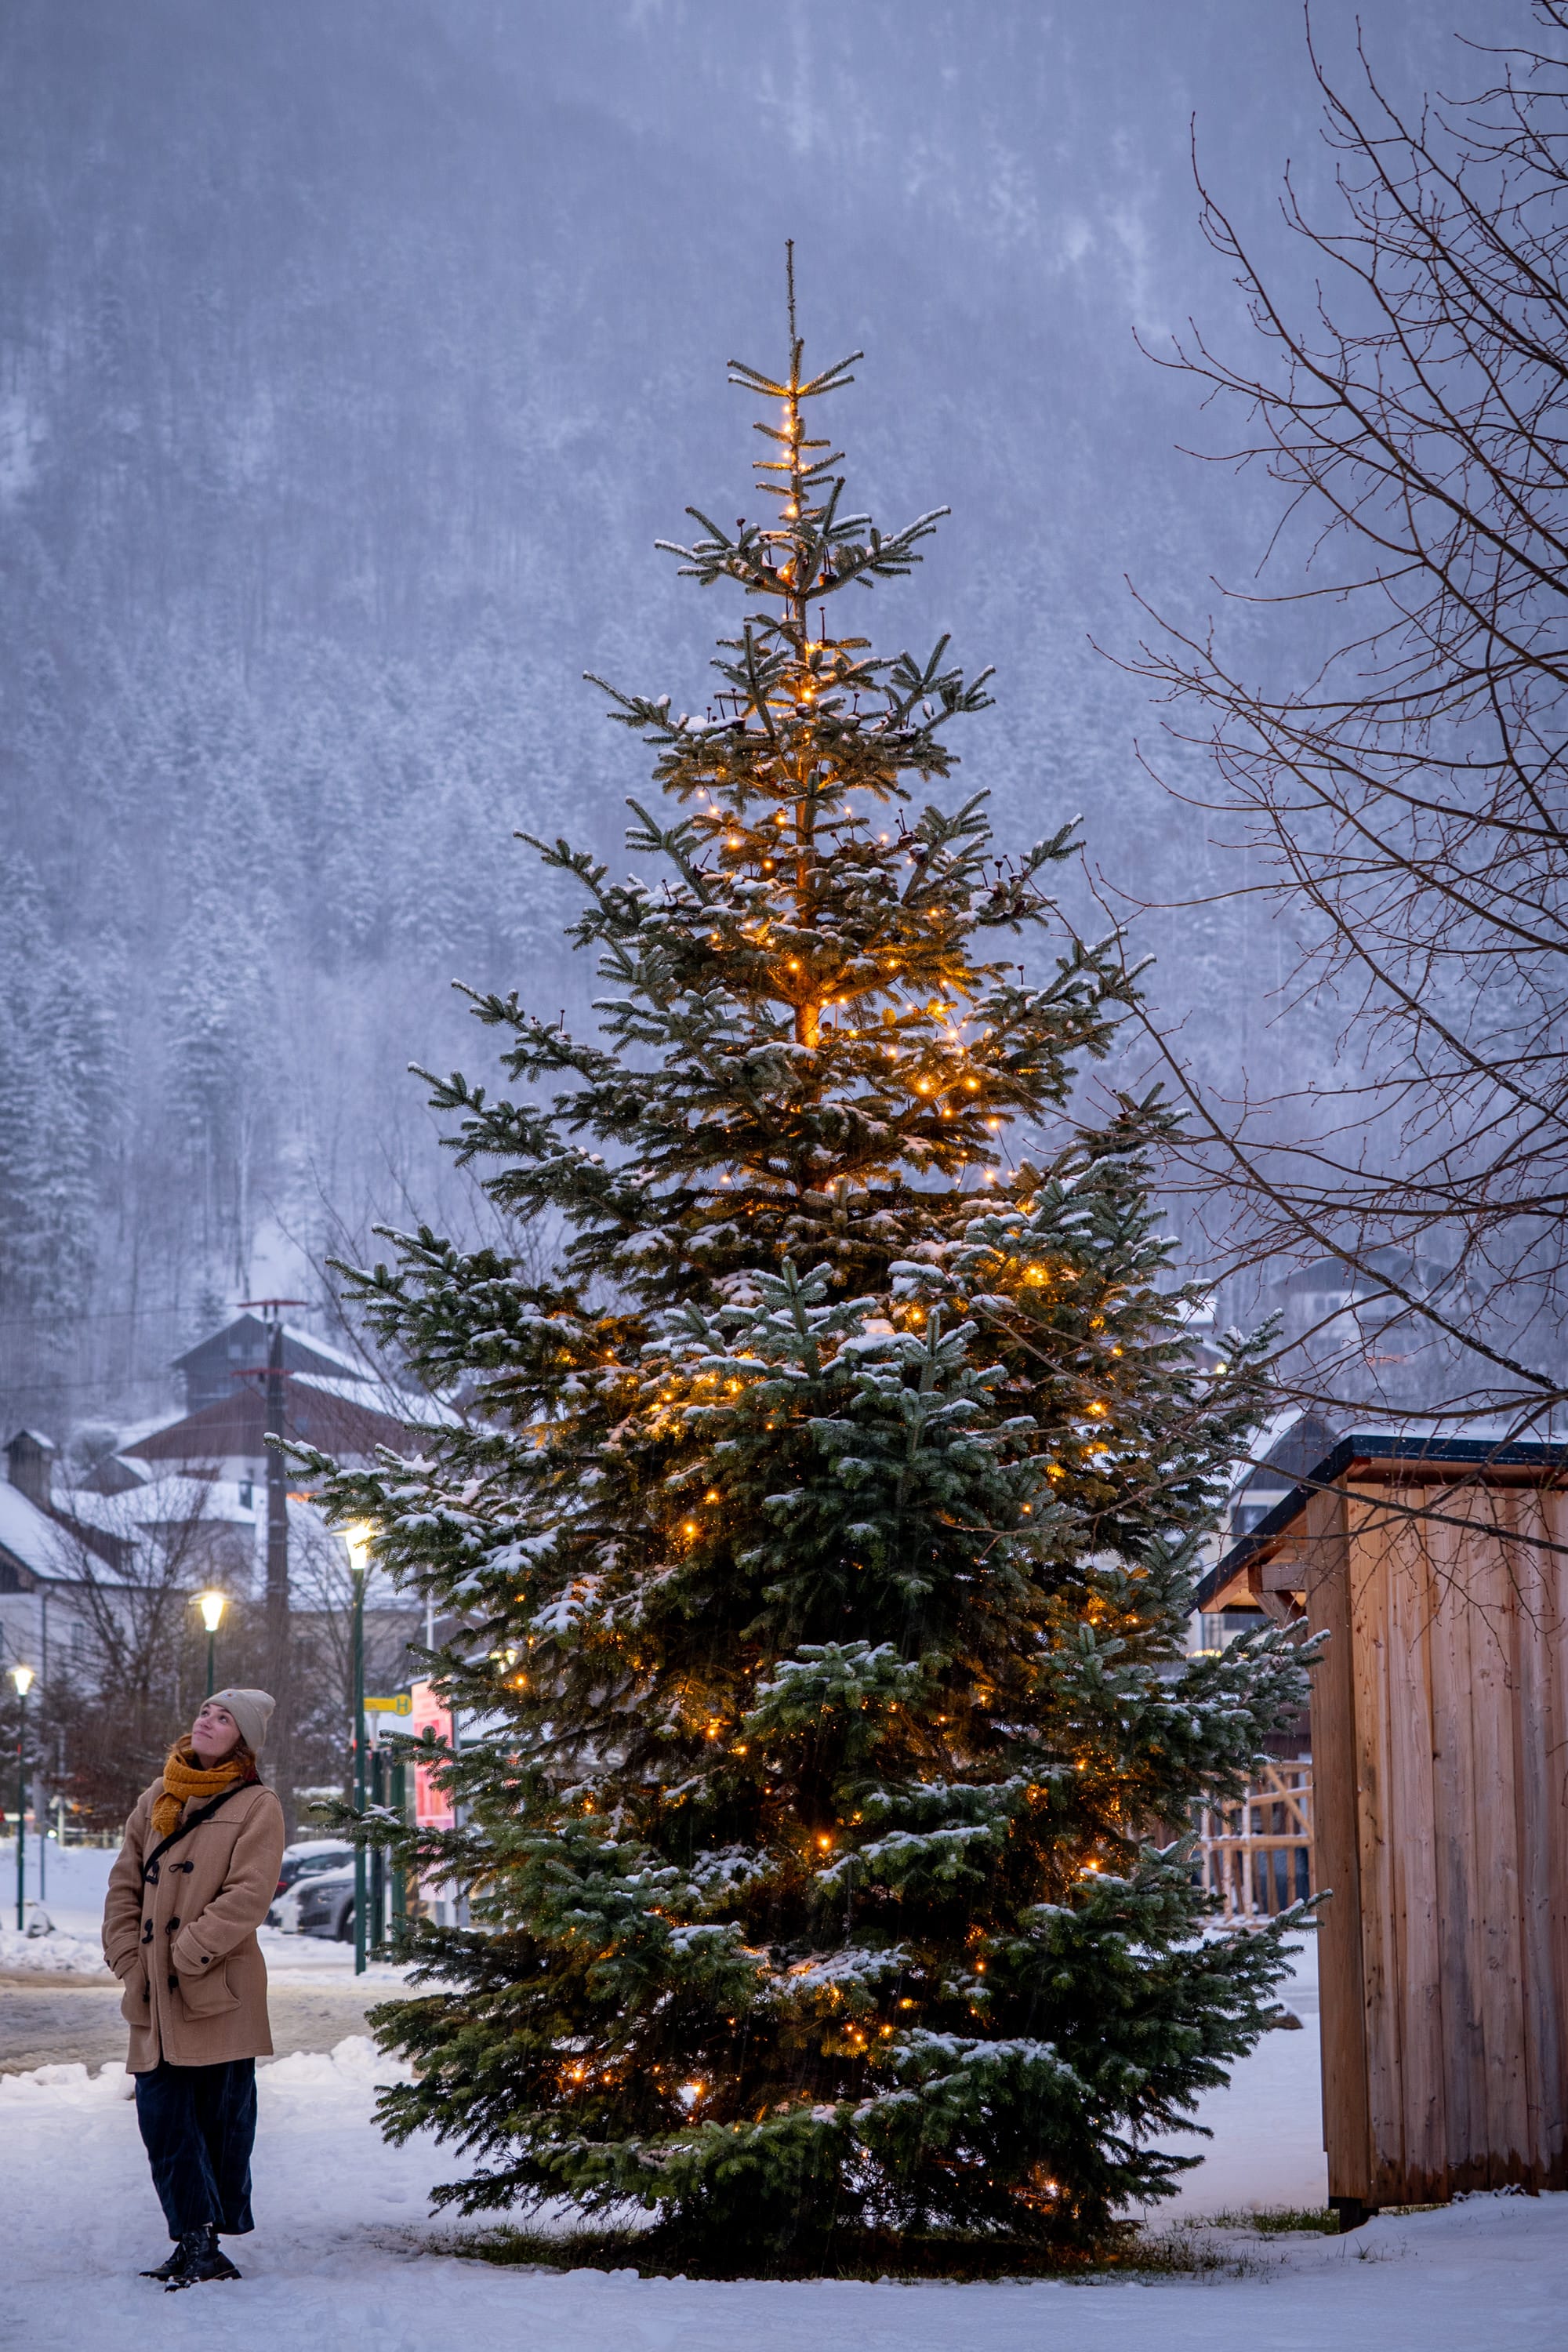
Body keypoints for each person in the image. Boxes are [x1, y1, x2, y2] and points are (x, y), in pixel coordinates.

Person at [102, 1689, 286, 2292]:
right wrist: (128, 1957)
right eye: (206, 1711)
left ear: (243, 1740)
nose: (208, 1720)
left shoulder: (258, 1804)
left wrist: (188, 1953)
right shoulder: (157, 1797)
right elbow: (124, 1885)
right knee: (162, 2119)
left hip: (216, 1989)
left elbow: (249, 1895)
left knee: (216, 2119)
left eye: (224, 1718)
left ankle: (204, 2244)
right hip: (153, 1994)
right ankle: (194, 2239)